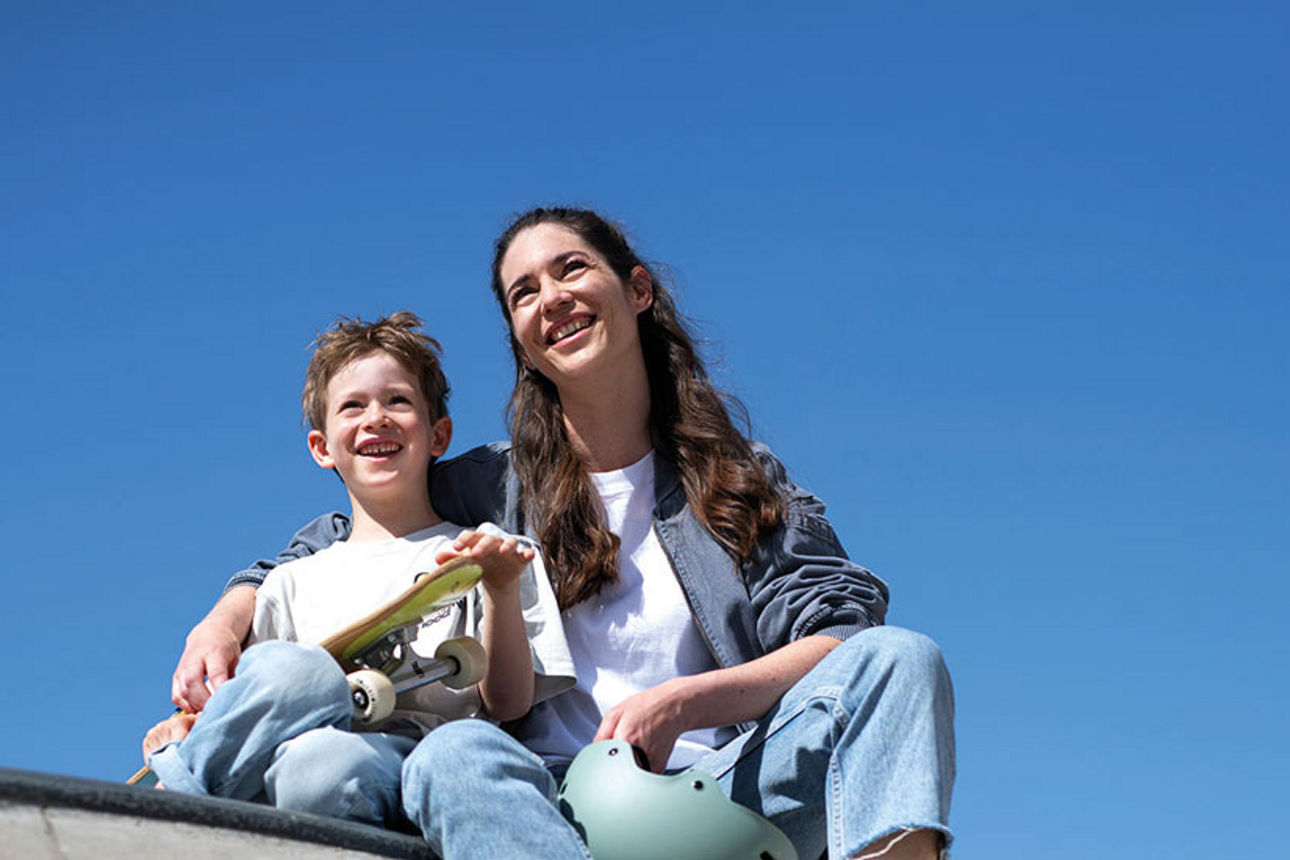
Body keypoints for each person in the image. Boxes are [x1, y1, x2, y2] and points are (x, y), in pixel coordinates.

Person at [173, 209, 956, 859]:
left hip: (726, 784)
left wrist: (686, 702)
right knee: (452, 755)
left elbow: (841, 634)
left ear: (637, 289)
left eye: (572, 269)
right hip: (554, 802)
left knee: (901, 659)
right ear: (520, 338)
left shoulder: (741, 475)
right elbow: (360, 526)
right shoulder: (492, 484)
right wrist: (225, 619)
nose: (552, 296)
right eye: (524, 291)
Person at [143, 311, 572, 828]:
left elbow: (507, 702)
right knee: (311, 736)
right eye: (353, 406)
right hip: (334, 771)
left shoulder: (490, 552)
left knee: (464, 747)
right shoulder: (289, 584)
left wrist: (501, 588)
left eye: (398, 400)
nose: (376, 418)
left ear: (439, 435)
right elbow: (261, 707)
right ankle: (182, 791)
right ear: (322, 448)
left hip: (445, 767)